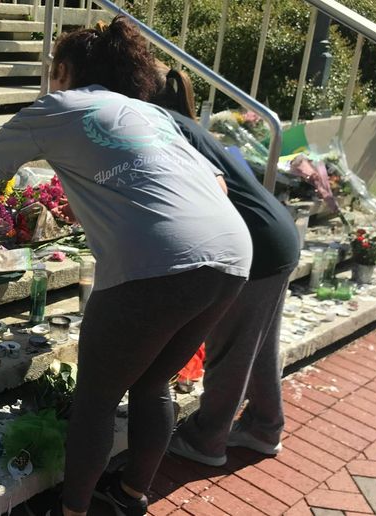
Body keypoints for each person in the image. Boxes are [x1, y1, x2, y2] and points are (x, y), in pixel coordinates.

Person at [0, 17, 252, 516]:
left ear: (63, 69)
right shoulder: (148, 112)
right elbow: (216, 187)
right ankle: (131, 496)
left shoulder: (59, 105)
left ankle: (72, 511)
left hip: (156, 265)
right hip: (231, 255)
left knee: (97, 397)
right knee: (152, 382)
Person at [154, 68, 302, 466]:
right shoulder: (184, 122)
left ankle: (207, 440)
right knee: (259, 345)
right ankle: (263, 428)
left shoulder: (159, 127)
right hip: (278, 233)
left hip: (254, 245)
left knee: (231, 350)